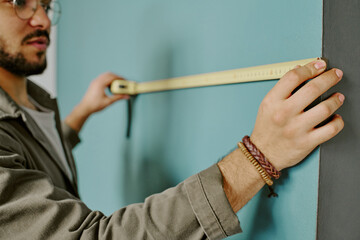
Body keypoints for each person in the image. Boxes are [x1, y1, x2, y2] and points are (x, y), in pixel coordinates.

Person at [0, 0, 345, 239]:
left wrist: (79, 117)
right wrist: (258, 156)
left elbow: (29, 156)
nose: (43, 19)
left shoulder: (35, 102)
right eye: (20, 2)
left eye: (46, 5)